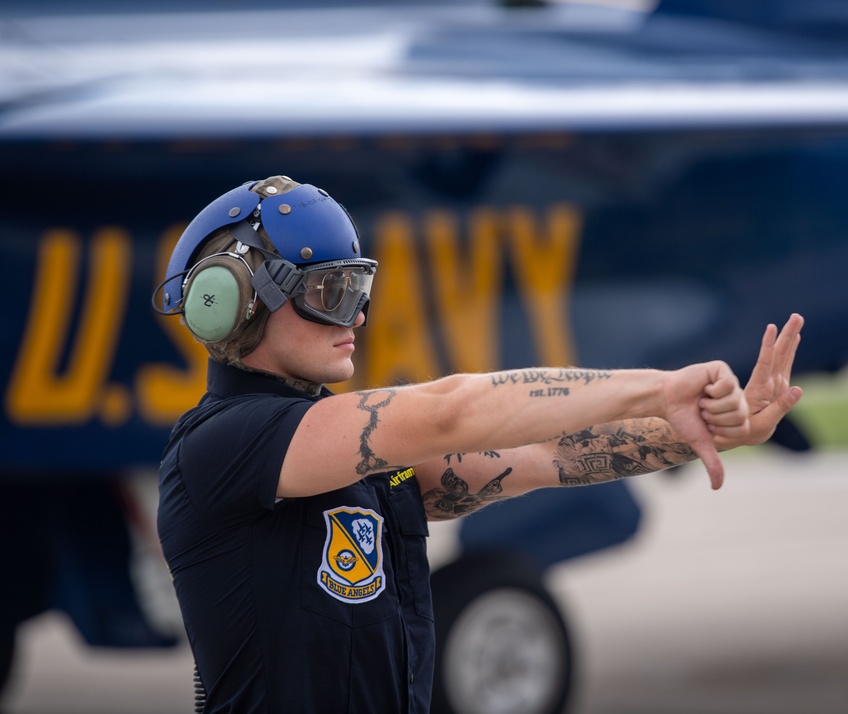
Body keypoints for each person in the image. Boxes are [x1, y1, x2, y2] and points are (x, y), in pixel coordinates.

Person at [155, 175, 804, 714]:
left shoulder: (349, 456)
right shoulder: (221, 445)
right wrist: (657, 389)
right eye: (330, 291)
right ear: (234, 302)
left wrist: (705, 432)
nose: (355, 315)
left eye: (358, 289)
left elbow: (546, 457)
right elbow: (451, 413)